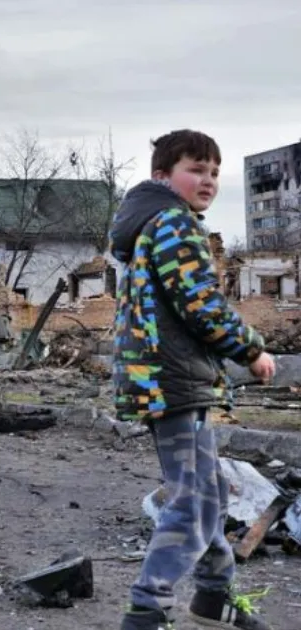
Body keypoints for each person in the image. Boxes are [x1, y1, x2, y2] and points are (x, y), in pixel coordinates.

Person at [110, 130, 277, 630]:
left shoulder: (149, 224)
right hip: (173, 380)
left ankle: (212, 598)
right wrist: (251, 350)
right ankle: (147, 608)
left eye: (214, 172)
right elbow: (200, 303)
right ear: (163, 176)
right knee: (193, 499)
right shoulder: (174, 223)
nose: (207, 180)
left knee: (208, 494)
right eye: (195, 169)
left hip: (168, 378)